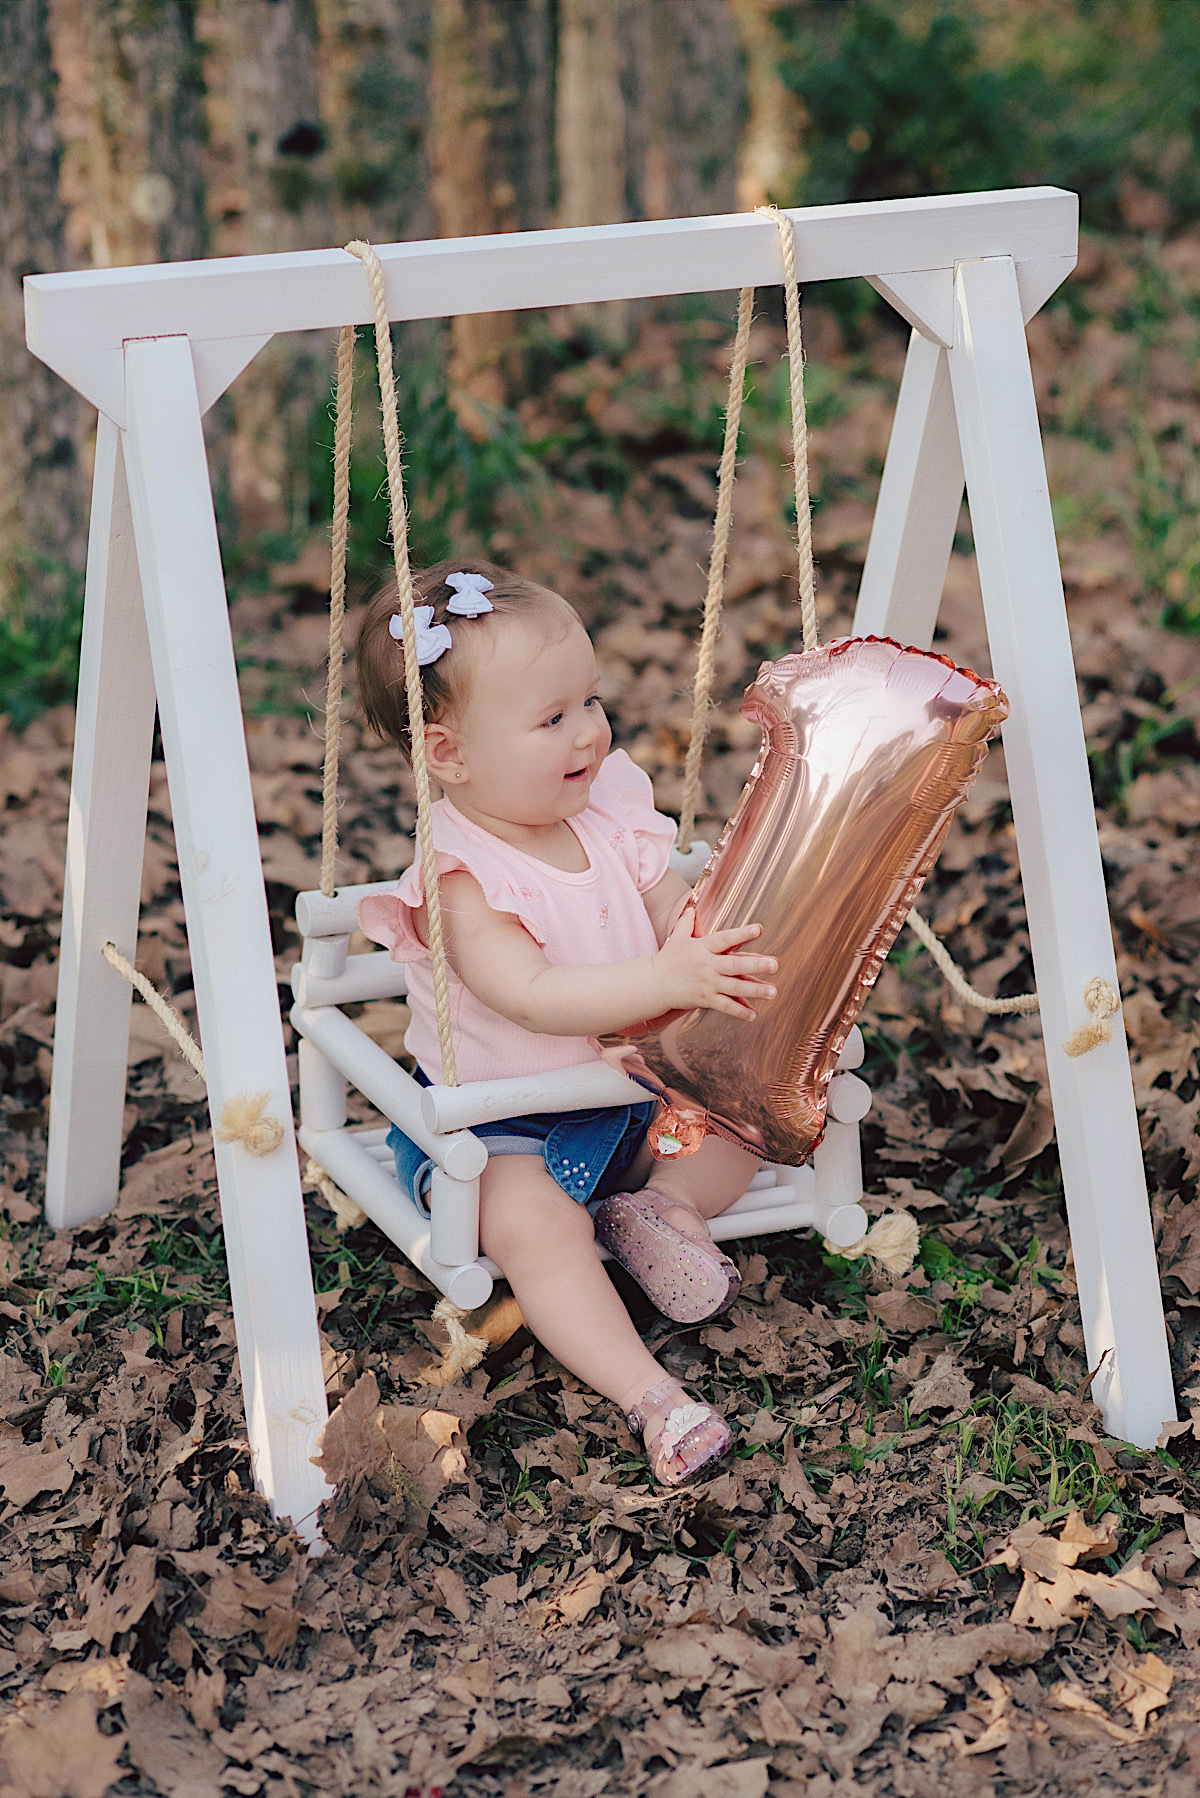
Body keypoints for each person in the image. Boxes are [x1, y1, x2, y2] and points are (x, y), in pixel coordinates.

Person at [357, 558, 777, 1485]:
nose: (589, 730)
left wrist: (700, 939)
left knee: (741, 1127)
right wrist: (663, 977)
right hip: (501, 1130)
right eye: (552, 719)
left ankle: (659, 1210)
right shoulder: (461, 878)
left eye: (590, 701)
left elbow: (669, 909)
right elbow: (532, 994)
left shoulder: (608, 815)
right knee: (537, 1230)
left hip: (628, 1099)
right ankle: (652, 1397)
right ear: (448, 755)